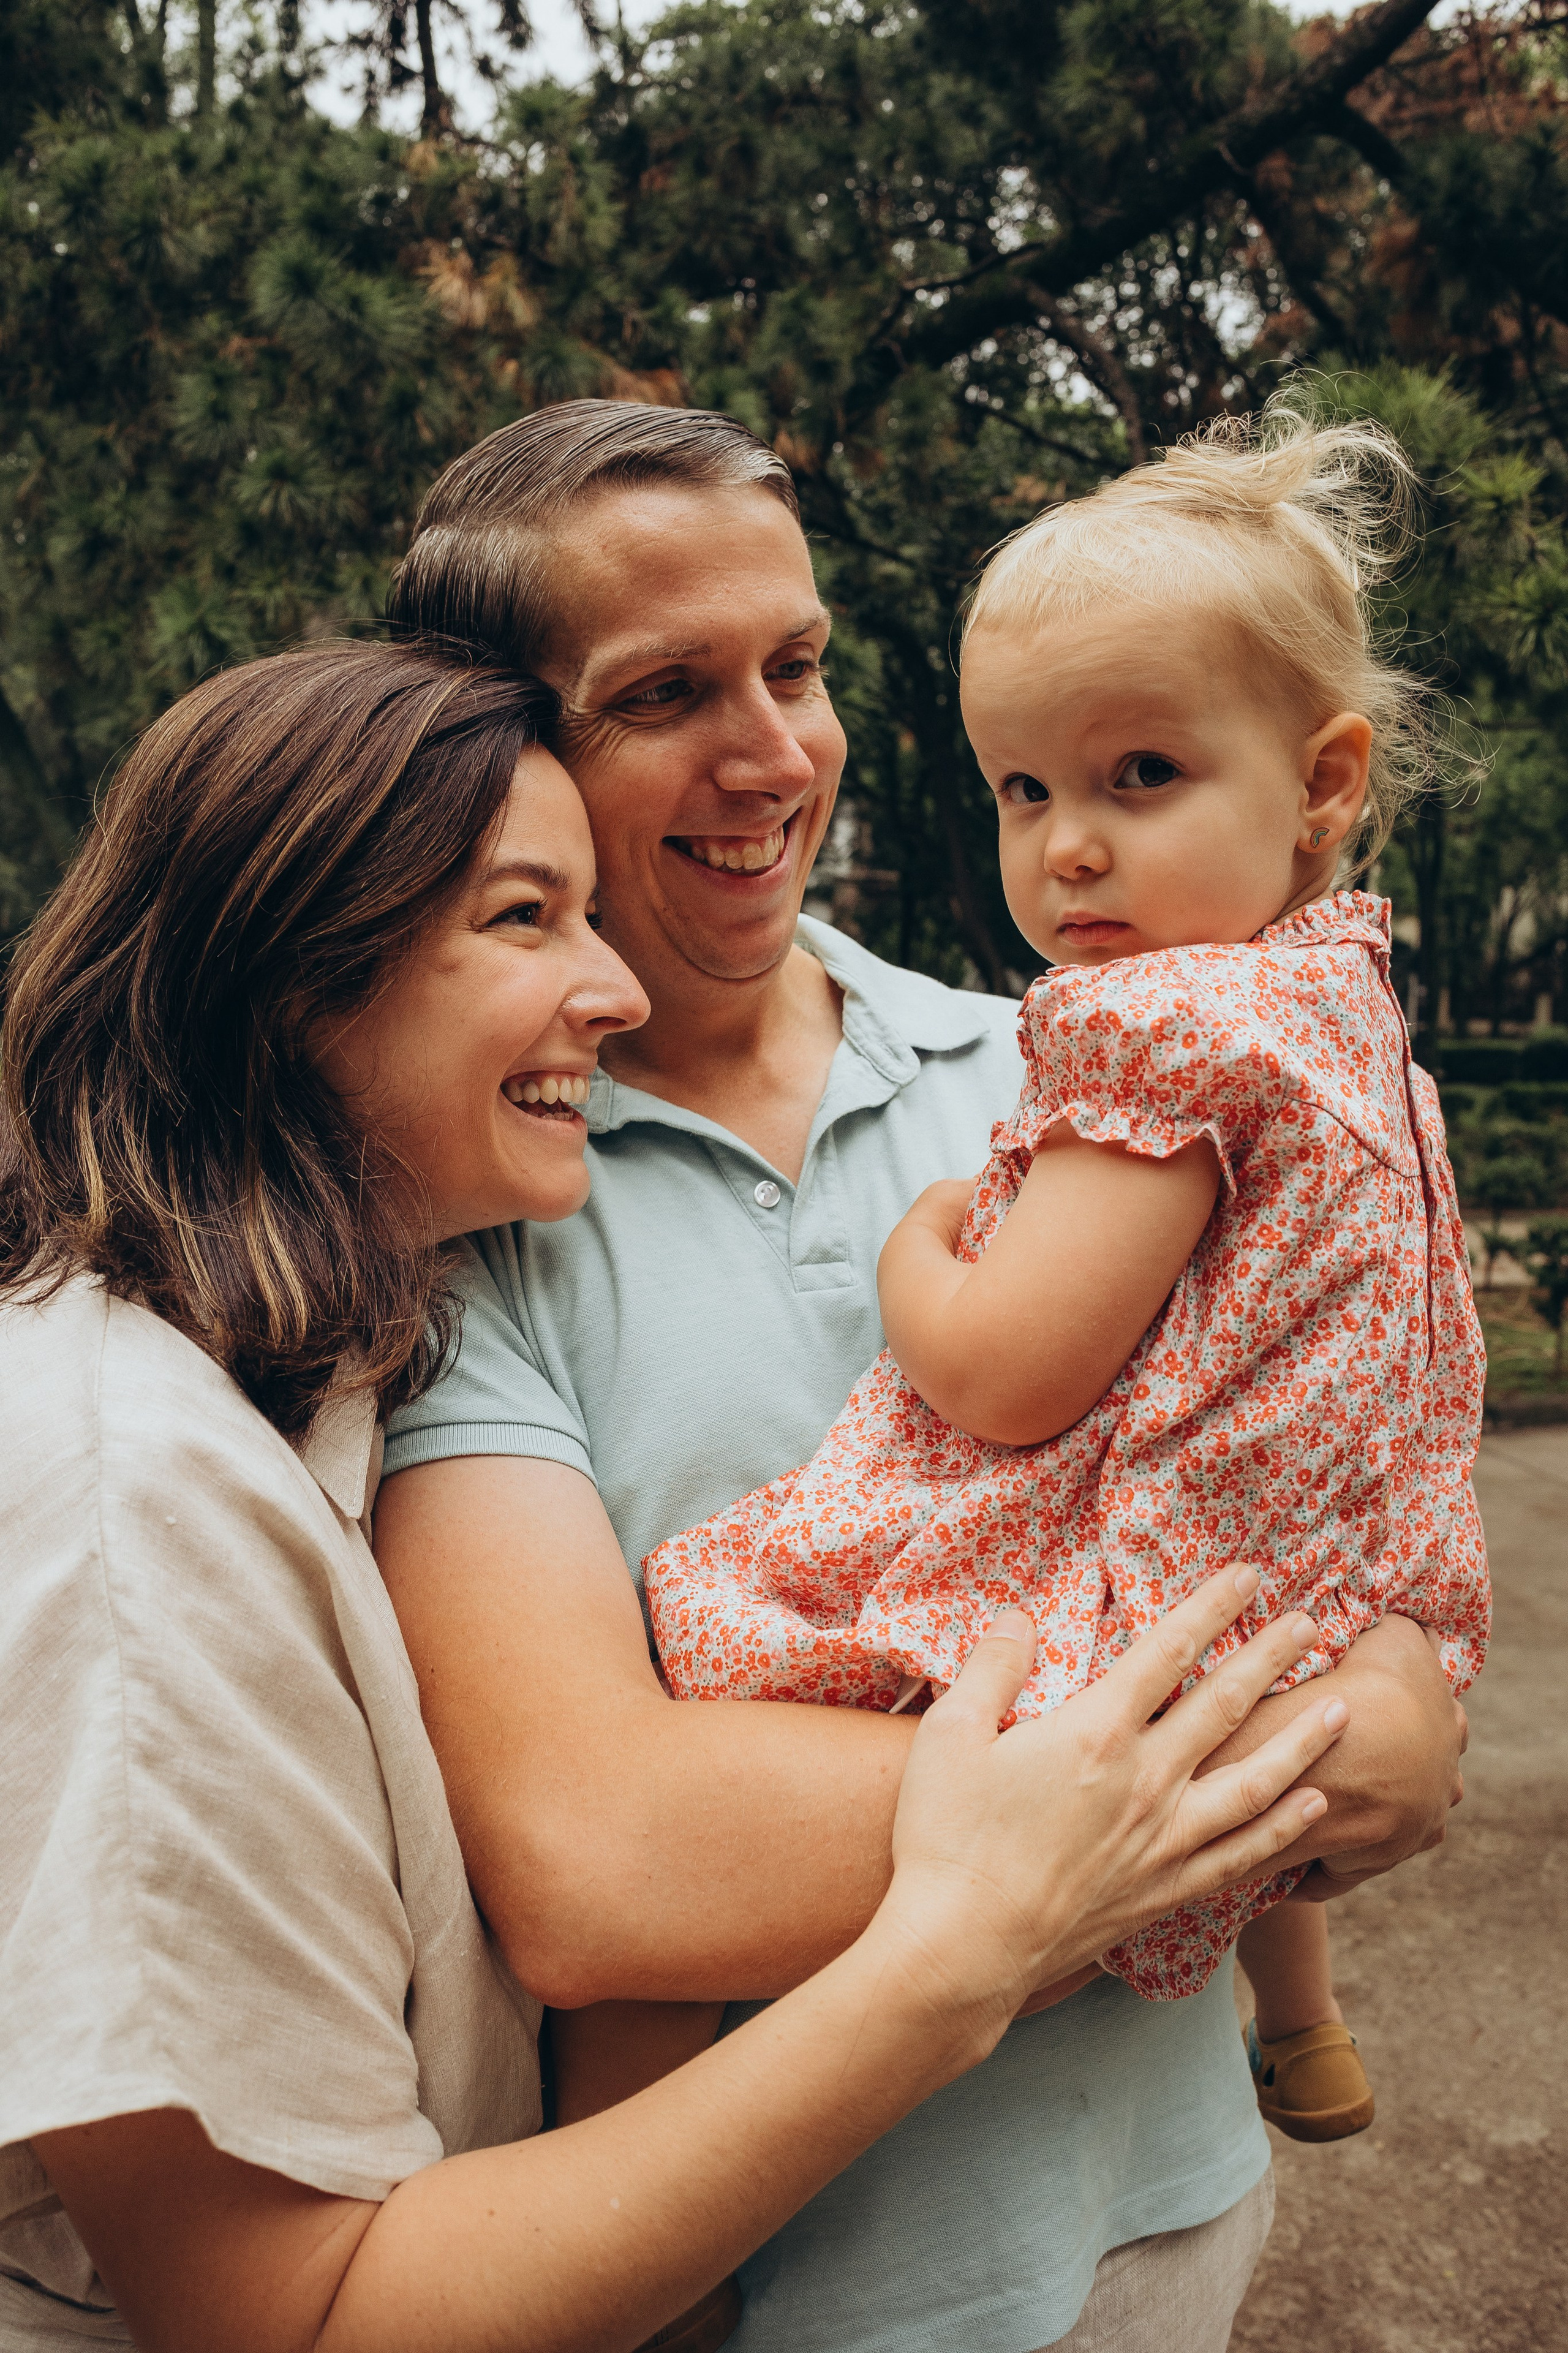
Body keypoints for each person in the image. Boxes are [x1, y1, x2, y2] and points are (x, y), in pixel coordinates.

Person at [0, 636, 1349, 2351]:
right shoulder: (127, 1513)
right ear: (286, 976)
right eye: (524, 917)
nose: (619, 990)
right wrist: (961, 1948)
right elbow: (299, 2319)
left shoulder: (310, 1350)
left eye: (804, 663)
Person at [374, 399, 1471, 2353]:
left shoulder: (1054, 1057)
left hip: (1164, 2212)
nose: (774, 753)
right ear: (506, 749)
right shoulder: (466, 1200)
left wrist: (1389, 1679)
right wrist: (1280, 1752)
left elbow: (1328, 1449)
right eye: (666, 693)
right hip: (785, 2304)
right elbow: (603, 1866)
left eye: (795, 666)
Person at [637, 408, 1491, 2146]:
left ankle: (631, 2137)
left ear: (1325, 785)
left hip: (1155, 1572)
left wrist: (917, 1261)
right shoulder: (1339, 1007)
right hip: (1322, 1561)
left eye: (1139, 776)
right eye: (1024, 789)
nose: (1068, 846)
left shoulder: (1162, 1033)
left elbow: (1009, 1374)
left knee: (732, 1631)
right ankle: (1303, 2025)